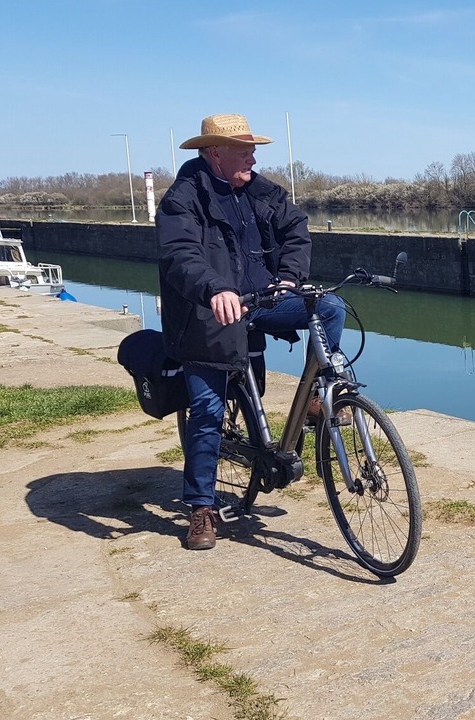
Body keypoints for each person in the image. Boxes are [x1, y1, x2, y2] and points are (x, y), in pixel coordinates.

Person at [157, 113, 346, 551]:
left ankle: (318, 396)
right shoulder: (183, 197)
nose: (253, 158)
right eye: (244, 151)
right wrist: (215, 289)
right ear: (214, 153)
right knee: (207, 410)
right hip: (208, 313)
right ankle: (201, 509)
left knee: (330, 308)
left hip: (263, 300)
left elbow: (295, 228)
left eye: (253, 150)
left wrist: (289, 277)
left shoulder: (262, 191)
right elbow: (179, 253)